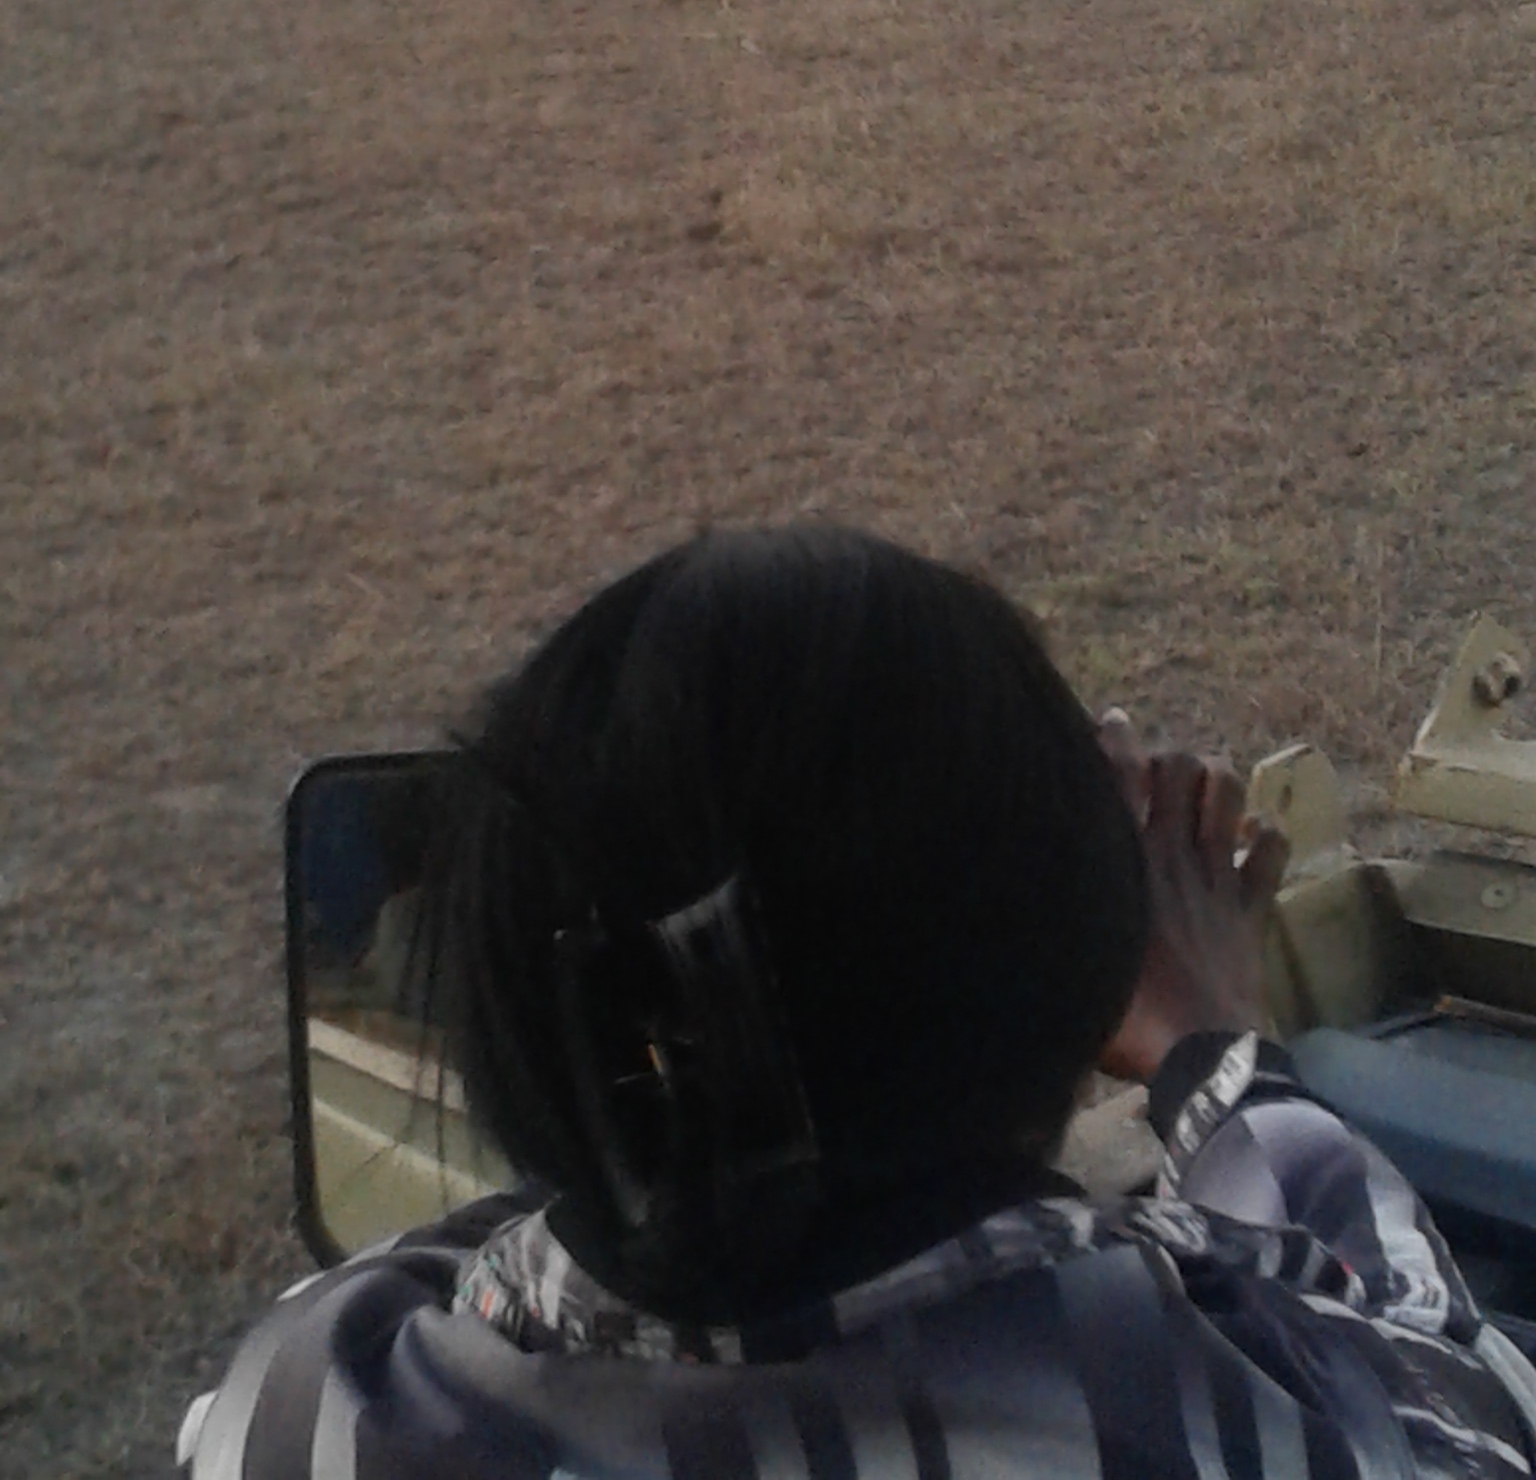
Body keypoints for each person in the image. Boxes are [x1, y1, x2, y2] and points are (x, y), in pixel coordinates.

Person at [180, 526, 1536, 1478]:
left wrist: (646, 1083)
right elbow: (1463, 1396)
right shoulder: (1196, 1409)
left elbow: (535, 1239)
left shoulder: (313, 1399)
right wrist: (1210, 1043)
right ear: (1075, 1000)